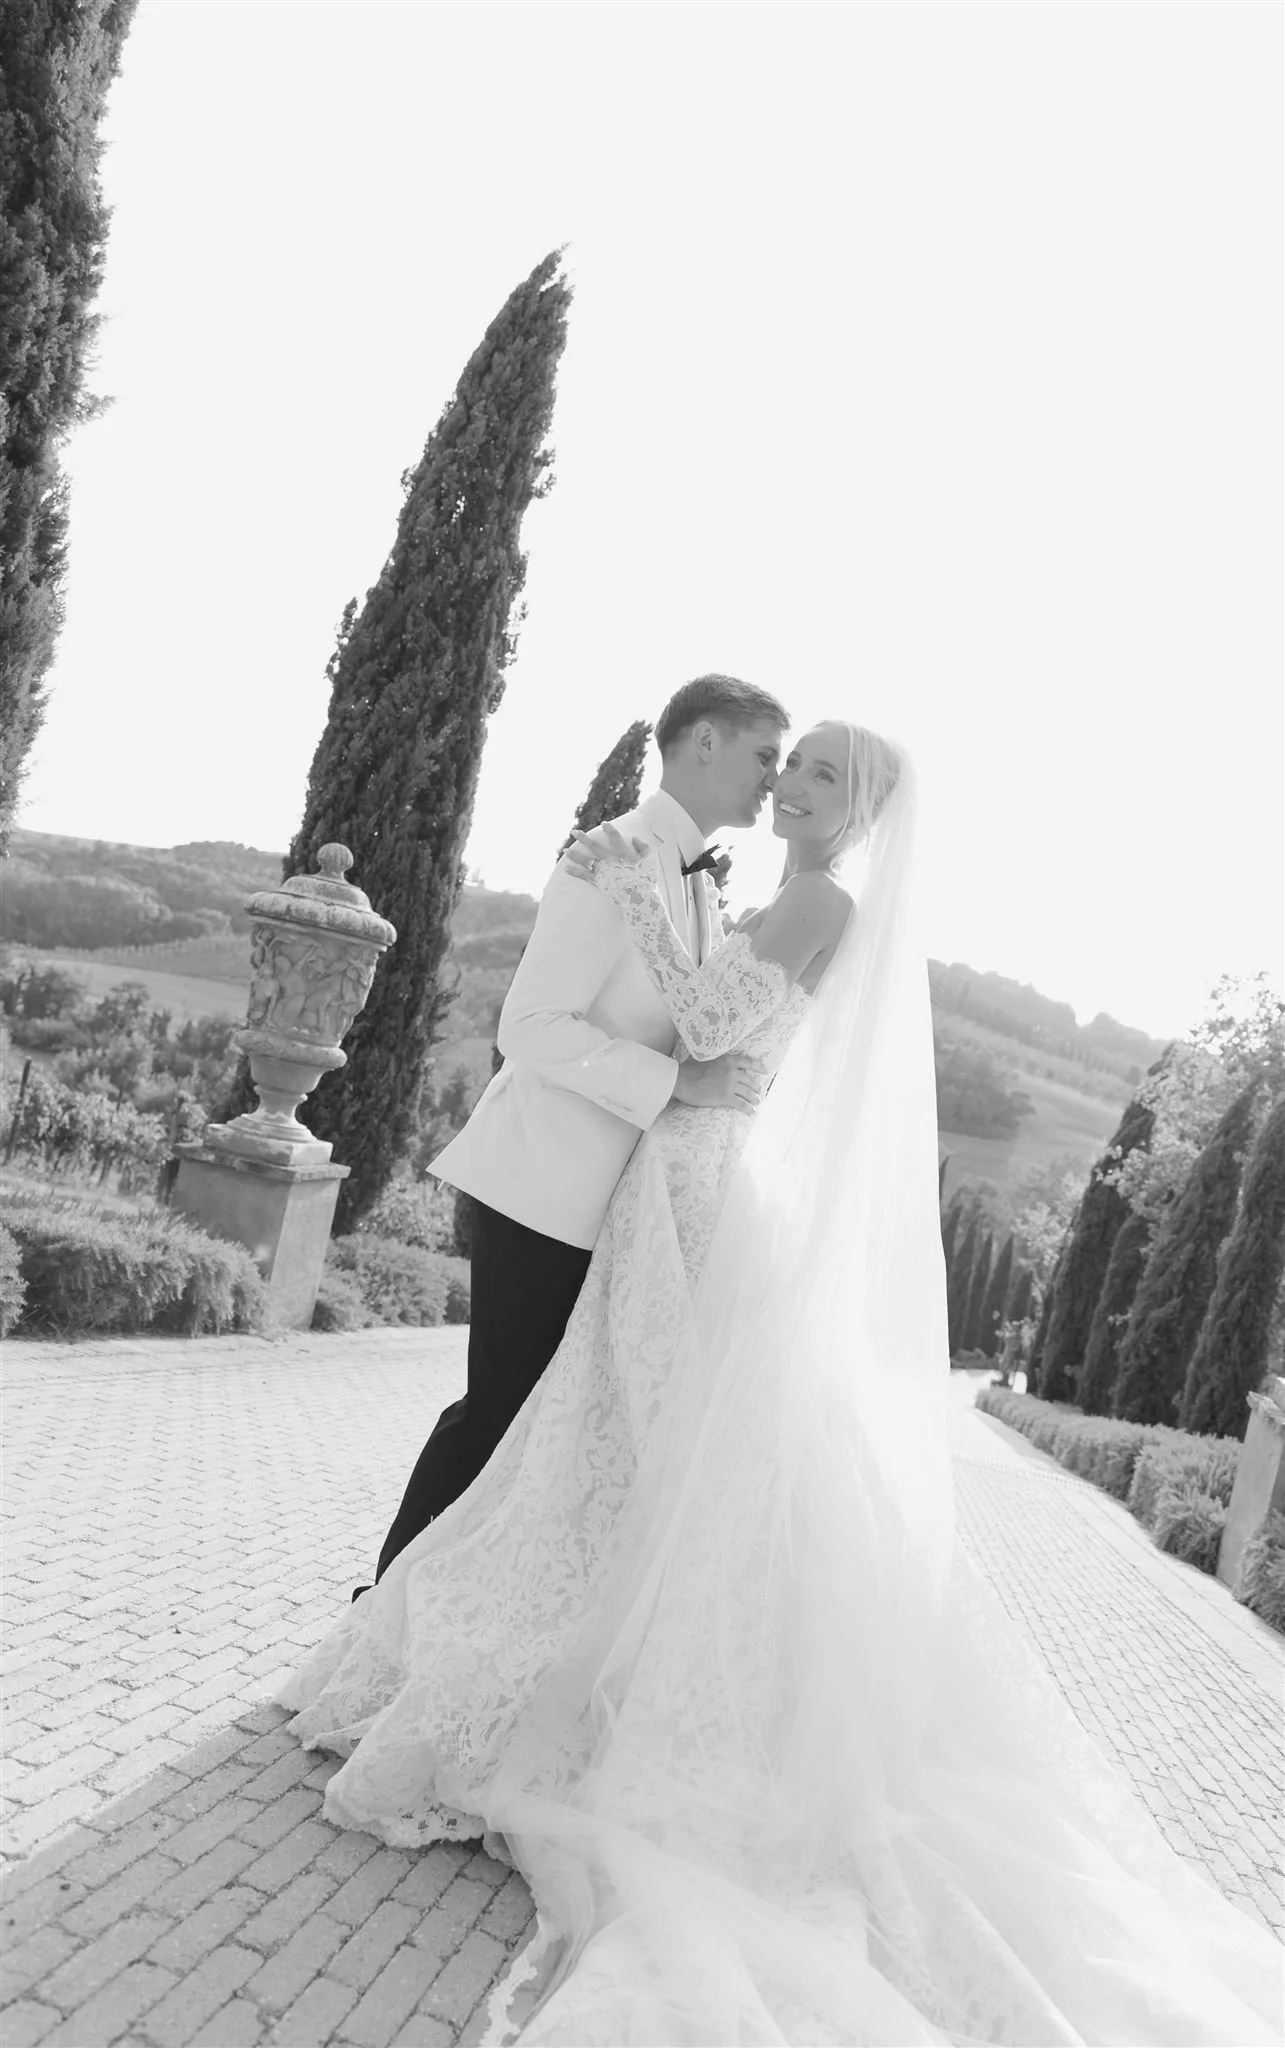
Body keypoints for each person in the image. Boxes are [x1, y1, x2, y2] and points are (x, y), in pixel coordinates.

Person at [281, 723, 1280, 2047]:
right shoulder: (793, 892)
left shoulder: (817, 895)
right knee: (618, 1432)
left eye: (811, 771)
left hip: (697, 1173)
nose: (786, 783)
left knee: (639, 1431)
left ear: (853, 805)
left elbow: (709, 1030)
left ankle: (587, 1689)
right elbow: (716, 1023)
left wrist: (638, 902)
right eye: (786, 762)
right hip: (678, 1170)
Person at [360, 673, 788, 1588]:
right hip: (542, 1181)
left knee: (537, 1418)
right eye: (763, 755)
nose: (772, 778)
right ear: (703, 742)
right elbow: (530, 1027)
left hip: (616, 1202)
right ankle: (385, 1597)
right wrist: (679, 1085)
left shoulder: (700, 884)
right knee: (499, 1408)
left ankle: (436, 1605)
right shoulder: (610, 856)